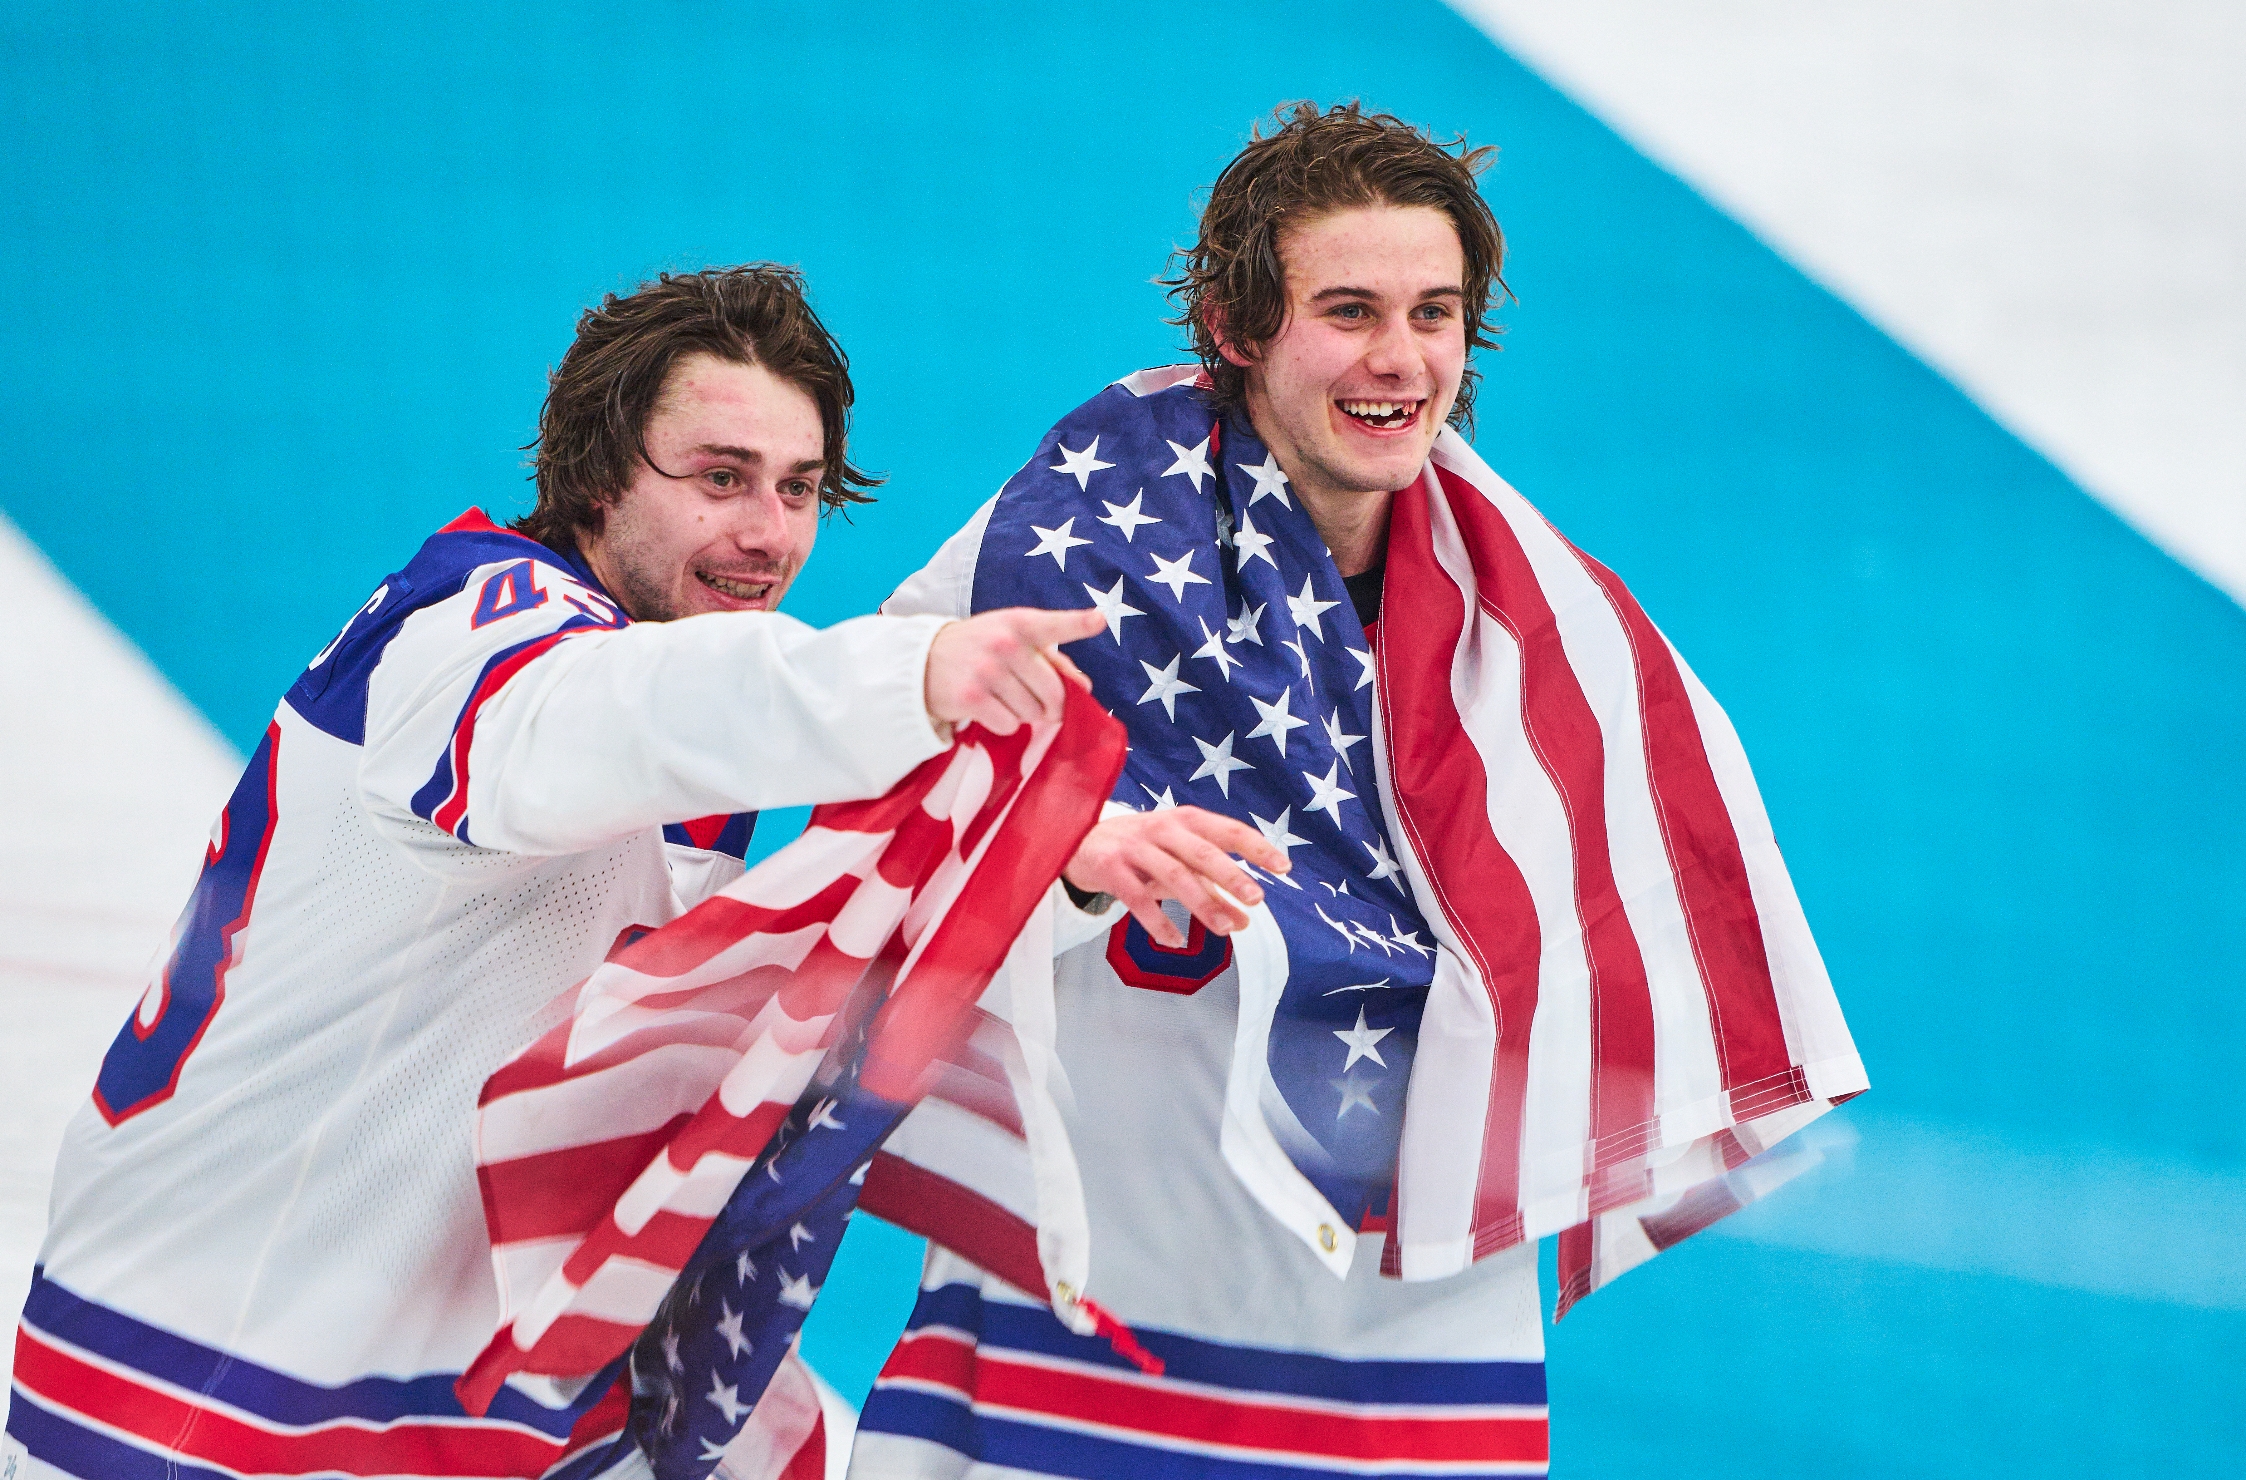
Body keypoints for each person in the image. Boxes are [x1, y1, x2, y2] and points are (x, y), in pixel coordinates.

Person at [849, 103, 1868, 1479]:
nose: (1398, 359)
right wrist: (1070, 850)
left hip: (1408, 1308)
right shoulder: (1068, 539)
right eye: (1347, 309)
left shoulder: (1556, 634)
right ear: (1235, 329)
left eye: (1433, 312)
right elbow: (870, 808)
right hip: (1098, 1287)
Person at [2, 265, 1116, 1480]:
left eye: (797, 490)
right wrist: (908, 678)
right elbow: (595, 725)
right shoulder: (479, 630)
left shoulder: (664, 697)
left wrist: (1047, 860)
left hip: (455, 1384)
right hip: (224, 1384)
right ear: (594, 474)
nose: (766, 531)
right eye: (718, 477)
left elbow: (778, 988)